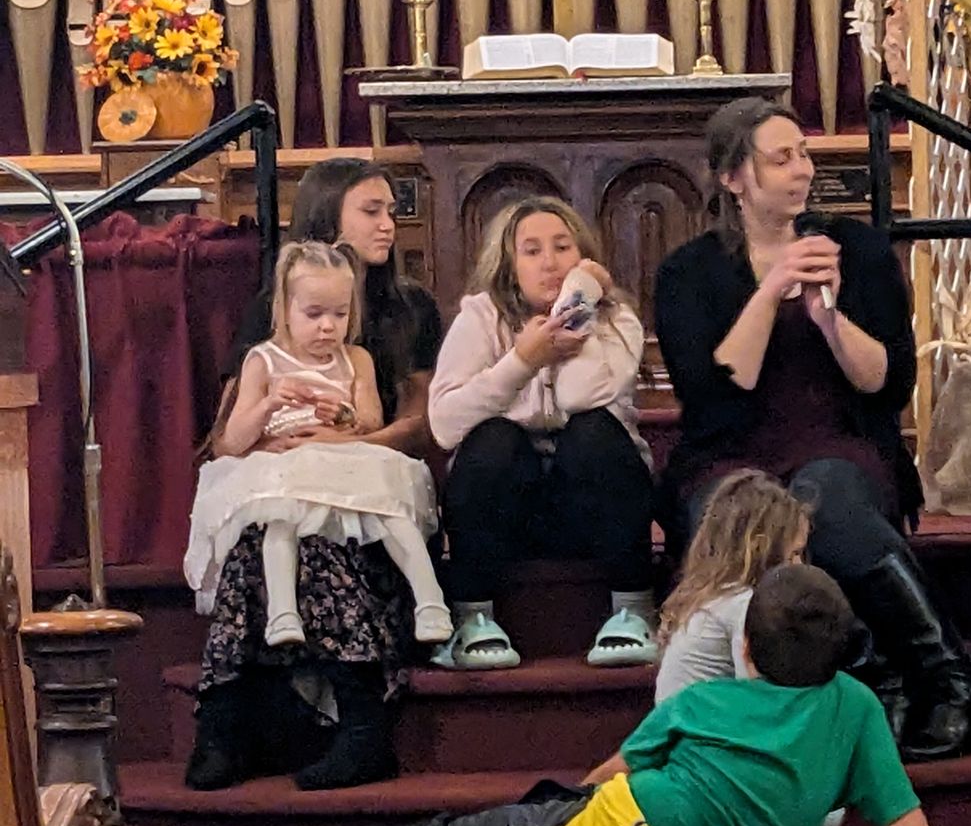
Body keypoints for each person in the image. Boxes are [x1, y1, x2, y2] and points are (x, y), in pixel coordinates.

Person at [163, 563, 971, 826]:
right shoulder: (859, 708)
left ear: (747, 652)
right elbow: (900, 810)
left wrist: (560, 811)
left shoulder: (710, 698)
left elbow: (615, 773)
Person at [653, 98, 971, 761]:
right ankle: (857, 681)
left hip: (840, 441)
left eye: (802, 154)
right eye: (781, 159)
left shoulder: (856, 250)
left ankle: (946, 678)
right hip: (730, 452)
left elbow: (886, 384)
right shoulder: (688, 272)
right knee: (739, 509)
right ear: (733, 178)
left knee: (825, 499)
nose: (801, 169)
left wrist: (828, 319)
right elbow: (715, 396)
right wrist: (770, 288)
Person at [188, 159, 446, 793]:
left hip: (366, 496)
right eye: (372, 210)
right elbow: (227, 438)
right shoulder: (270, 322)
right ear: (329, 217)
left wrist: (341, 443)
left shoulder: (410, 307)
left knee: (325, 543)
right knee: (264, 534)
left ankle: (363, 727)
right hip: (280, 479)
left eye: (392, 209)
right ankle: (224, 726)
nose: (390, 223)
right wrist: (281, 449)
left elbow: (418, 422)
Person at [188, 241, 451, 654]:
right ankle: (282, 612)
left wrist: (343, 415)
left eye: (340, 314)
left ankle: (431, 602)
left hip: (342, 456)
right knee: (279, 517)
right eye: (314, 314)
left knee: (390, 510)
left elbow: (371, 420)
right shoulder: (263, 360)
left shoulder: (355, 359)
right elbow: (232, 442)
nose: (328, 327)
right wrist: (270, 401)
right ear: (285, 311)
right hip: (286, 462)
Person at [428, 196, 657, 671]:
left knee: (593, 432)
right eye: (531, 251)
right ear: (510, 265)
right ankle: (472, 619)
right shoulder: (480, 317)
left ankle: (633, 611)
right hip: (509, 511)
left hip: (591, 508)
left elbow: (578, 398)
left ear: (584, 259)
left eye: (562, 248)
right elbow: (445, 424)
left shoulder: (618, 321)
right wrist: (523, 361)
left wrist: (577, 306)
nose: (550, 262)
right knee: (493, 440)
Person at [652, 466, 843, 826]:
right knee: (825, 799)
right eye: (793, 556)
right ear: (760, 550)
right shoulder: (745, 606)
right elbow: (760, 706)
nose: (799, 567)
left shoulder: (713, 595)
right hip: (708, 770)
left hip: (687, 761)